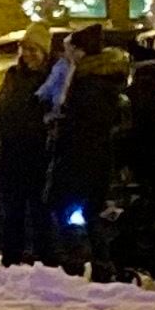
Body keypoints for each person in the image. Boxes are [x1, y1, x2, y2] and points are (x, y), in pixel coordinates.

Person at [47, 32, 130, 279]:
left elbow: (84, 126)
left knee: (77, 212)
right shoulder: (94, 80)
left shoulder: (88, 83)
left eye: (70, 49)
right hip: (91, 159)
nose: (66, 55)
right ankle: (98, 265)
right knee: (89, 213)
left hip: (82, 159)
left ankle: (83, 264)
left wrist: (61, 123)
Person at [0, 38, 52, 267]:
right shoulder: (13, 76)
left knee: (41, 213)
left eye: (33, 49)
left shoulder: (52, 79)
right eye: (24, 49)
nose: (27, 54)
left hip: (40, 156)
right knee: (12, 213)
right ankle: (11, 261)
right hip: (12, 156)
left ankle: (45, 260)